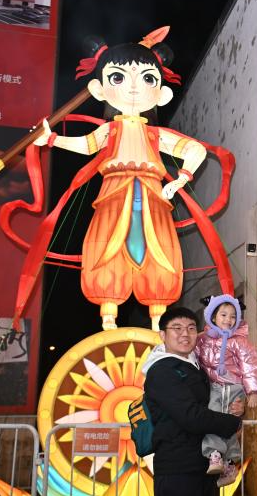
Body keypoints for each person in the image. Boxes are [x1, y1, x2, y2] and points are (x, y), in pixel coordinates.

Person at [30, 27, 210, 330]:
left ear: (161, 93)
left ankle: (157, 318)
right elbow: (86, 144)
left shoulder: (155, 135)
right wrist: (50, 139)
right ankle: (108, 315)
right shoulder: (109, 131)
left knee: (159, 249)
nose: (134, 87)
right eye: (118, 77)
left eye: (147, 79)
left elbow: (196, 150)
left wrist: (180, 179)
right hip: (114, 193)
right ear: (100, 89)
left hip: (153, 195)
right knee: (106, 245)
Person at [142, 305, 244, 496]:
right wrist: (231, 423)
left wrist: (236, 407)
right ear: (162, 335)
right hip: (178, 471)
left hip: (204, 470)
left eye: (190, 328)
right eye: (176, 328)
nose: (184, 334)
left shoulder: (197, 367)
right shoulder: (161, 371)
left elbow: (213, 404)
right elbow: (190, 416)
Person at [195, 294, 257, 486]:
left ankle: (215, 454)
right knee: (225, 421)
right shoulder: (203, 339)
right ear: (213, 316)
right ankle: (230, 462)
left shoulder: (238, 341)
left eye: (233, 316)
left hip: (232, 386)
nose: (228, 319)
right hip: (214, 386)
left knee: (219, 418)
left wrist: (253, 391)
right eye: (223, 315)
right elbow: (194, 356)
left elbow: (250, 363)